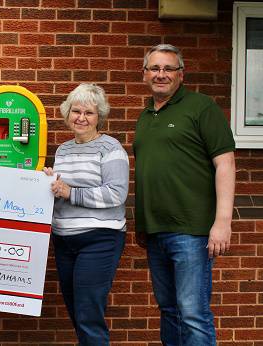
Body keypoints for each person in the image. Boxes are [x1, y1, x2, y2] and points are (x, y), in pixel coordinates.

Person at [134, 44, 236, 345]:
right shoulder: (145, 116)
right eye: (154, 68)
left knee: (193, 313)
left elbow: (226, 163)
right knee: (169, 312)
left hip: (191, 231)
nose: (161, 74)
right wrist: (143, 224)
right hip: (155, 232)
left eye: (168, 69)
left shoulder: (201, 107)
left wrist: (222, 221)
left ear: (181, 74)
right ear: (144, 75)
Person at [43, 83, 129, 345]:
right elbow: (61, 190)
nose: (81, 118)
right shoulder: (63, 150)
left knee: (88, 314)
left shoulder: (110, 148)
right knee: (76, 311)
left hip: (99, 240)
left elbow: (116, 193)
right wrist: (48, 183)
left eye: (89, 113)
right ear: (67, 113)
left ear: (99, 117)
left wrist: (71, 192)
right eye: (76, 111)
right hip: (65, 240)